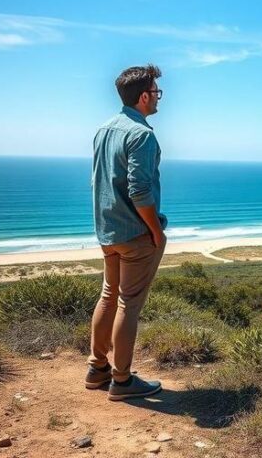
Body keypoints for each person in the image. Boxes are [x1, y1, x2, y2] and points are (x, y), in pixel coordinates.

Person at [86, 64, 168, 401]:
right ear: (144, 96)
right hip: (135, 234)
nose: (159, 98)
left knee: (109, 295)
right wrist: (156, 232)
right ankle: (121, 381)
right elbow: (139, 192)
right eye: (157, 93)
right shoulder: (142, 135)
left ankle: (97, 368)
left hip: (107, 230)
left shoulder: (104, 128)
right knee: (128, 305)